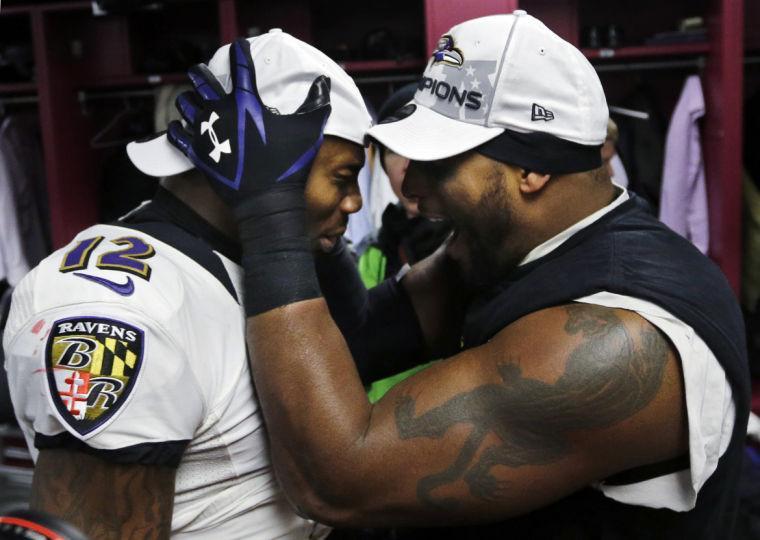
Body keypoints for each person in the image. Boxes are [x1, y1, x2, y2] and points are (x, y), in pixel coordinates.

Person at [168, 11, 750, 538]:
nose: (412, 190)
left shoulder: (616, 340)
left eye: (439, 165)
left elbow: (336, 483)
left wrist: (270, 208)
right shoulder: (501, 250)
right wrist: (310, 207)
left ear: (530, 170)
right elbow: (361, 336)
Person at [2, 30, 371, 538]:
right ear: (264, 165)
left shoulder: (247, 263)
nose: (355, 202)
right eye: (343, 176)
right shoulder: (120, 304)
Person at [358, 83, 451, 289]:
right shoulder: (374, 252)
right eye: (394, 151)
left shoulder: (472, 239)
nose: (408, 167)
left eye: (419, 146)